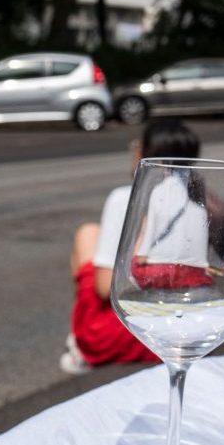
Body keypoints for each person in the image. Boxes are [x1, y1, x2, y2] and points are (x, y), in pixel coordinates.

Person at [62, 118, 203, 373]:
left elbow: (104, 288)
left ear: (143, 154)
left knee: (87, 234)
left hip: (130, 332)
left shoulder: (124, 199)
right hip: (182, 330)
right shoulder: (200, 207)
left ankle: (83, 344)